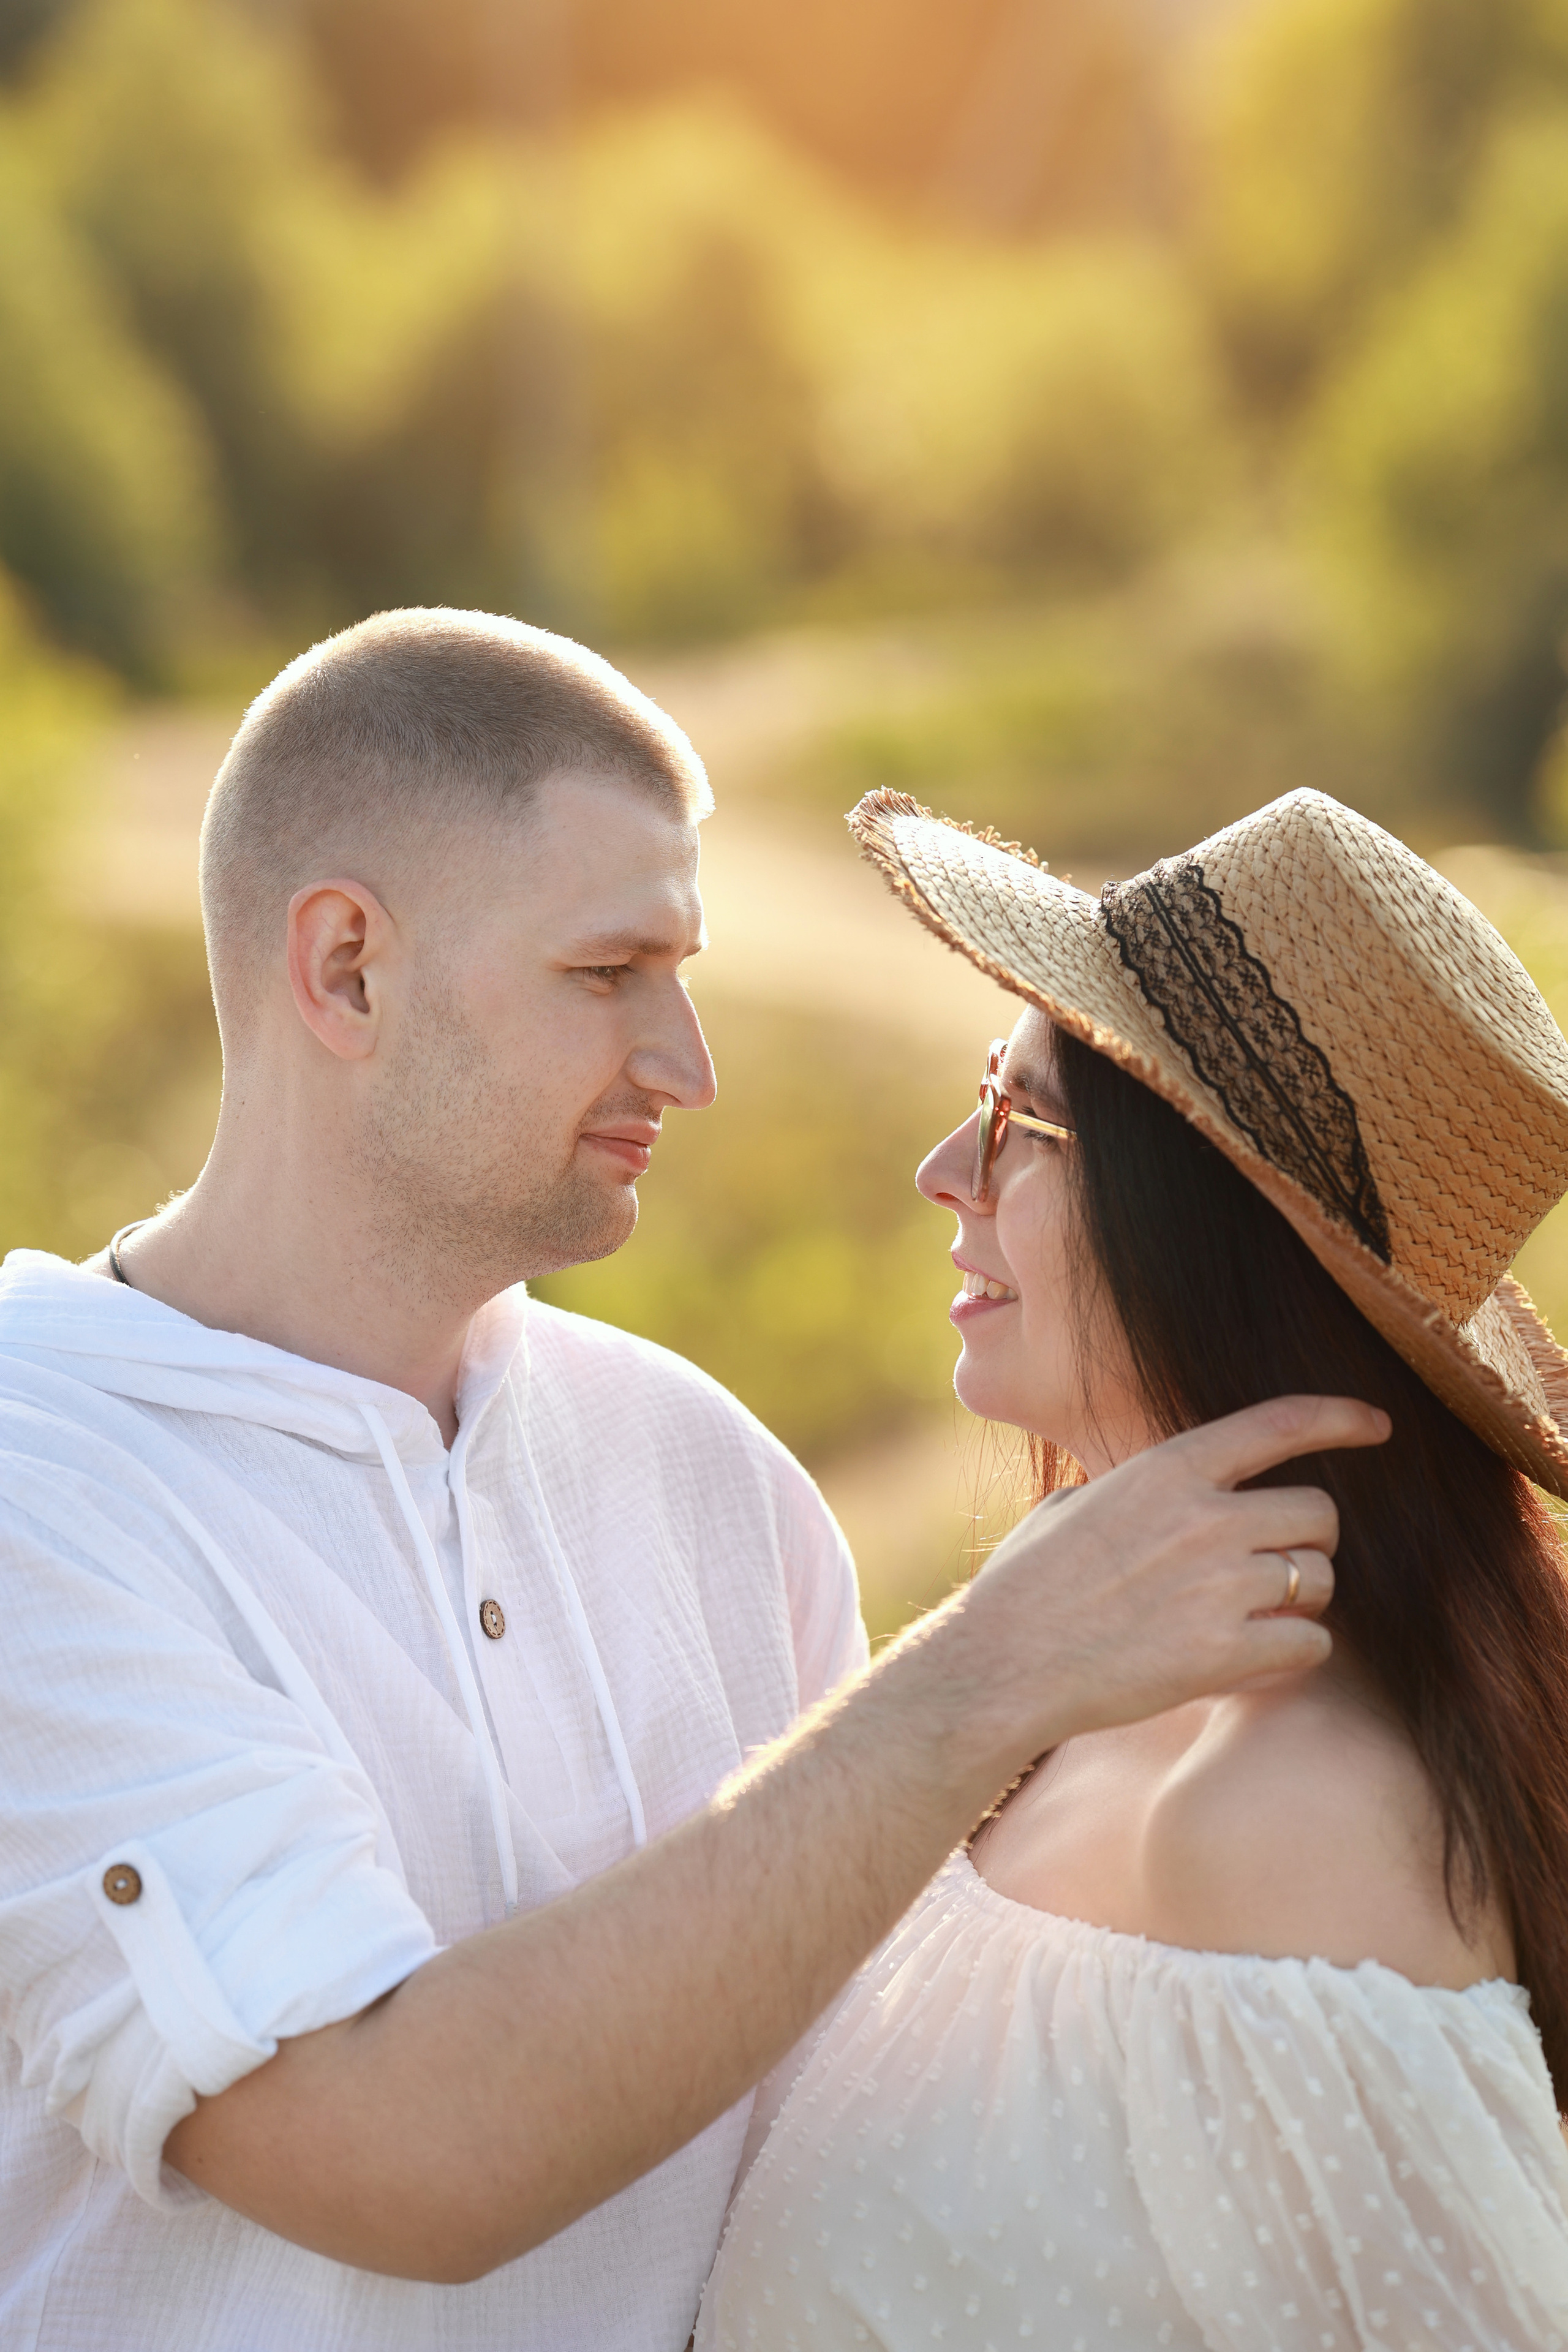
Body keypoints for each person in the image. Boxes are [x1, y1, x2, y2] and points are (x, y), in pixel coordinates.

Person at [0, 612, 1379, 2352]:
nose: (690, 1065)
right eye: (607, 974)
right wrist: (993, 1669)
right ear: (346, 968)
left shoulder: (711, 1472)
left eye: (683, 973)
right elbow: (400, 2152)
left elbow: (846, 2155)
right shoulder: (39, 1480)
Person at [698, 785, 1568, 2352]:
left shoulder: (1288, 1816)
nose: (943, 1169)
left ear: (1207, 1231)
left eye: (1021, 1124)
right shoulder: (1079, 1689)